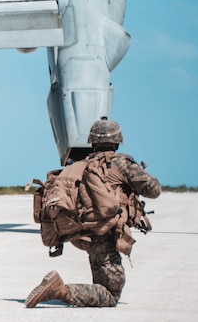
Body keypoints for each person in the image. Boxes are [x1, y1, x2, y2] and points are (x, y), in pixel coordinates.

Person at [26, 118, 162, 308]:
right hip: (103, 232)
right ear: (117, 141)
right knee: (111, 293)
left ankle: (63, 290)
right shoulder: (121, 164)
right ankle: (58, 289)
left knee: (102, 282)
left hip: (80, 232)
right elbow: (154, 190)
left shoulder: (80, 164)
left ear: (93, 142)